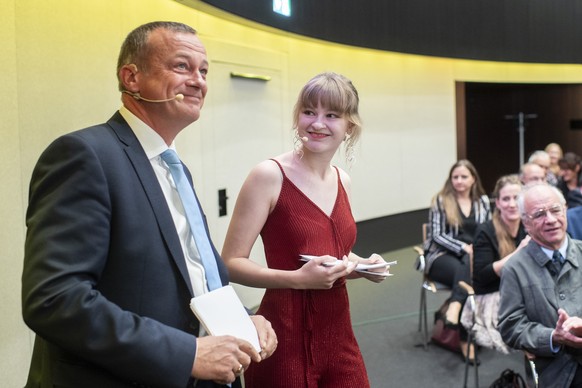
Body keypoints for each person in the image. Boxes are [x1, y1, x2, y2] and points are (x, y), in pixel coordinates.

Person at [21, 21, 277, 388]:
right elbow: (55, 300)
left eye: (203, 71)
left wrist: (242, 318)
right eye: (181, 66)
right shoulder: (84, 156)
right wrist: (186, 353)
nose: (198, 80)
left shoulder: (175, 168)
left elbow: (195, 274)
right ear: (132, 77)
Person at [221, 72, 389, 388]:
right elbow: (230, 263)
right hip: (284, 335)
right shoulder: (269, 175)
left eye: (331, 115)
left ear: (349, 127)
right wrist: (298, 279)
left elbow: (332, 254)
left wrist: (363, 265)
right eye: (309, 111)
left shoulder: (343, 180)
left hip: (339, 333)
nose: (317, 123)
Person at [498, 183, 582, 388]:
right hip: (557, 370)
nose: (551, 220)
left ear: (565, 210)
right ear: (526, 223)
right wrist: (553, 337)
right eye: (539, 214)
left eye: (555, 210)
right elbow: (511, 326)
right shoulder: (515, 269)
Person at [424, 159, 491, 362]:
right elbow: (436, 235)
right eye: (455, 177)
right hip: (442, 257)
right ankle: (465, 339)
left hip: (471, 258)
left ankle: (452, 306)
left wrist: (475, 250)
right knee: (468, 274)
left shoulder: (483, 201)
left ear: (473, 179)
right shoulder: (441, 200)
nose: (459, 181)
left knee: (469, 270)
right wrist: (463, 247)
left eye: (464, 177)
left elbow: (488, 232)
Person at [461, 174, 530, 354]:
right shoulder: (485, 230)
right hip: (493, 295)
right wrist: (519, 252)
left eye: (516, 198)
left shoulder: (528, 225)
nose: (512, 204)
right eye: (506, 199)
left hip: (523, 291)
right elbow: (482, 277)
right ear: (497, 203)